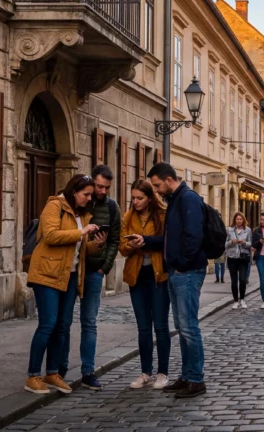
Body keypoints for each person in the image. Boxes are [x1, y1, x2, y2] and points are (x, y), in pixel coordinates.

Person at [127, 163, 208, 397]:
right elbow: (169, 238)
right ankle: (186, 376)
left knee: (189, 327)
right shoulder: (176, 200)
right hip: (177, 271)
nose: (156, 190)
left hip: (187, 272)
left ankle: (196, 380)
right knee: (182, 328)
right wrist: (147, 241)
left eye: (157, 185)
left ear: (169, 180)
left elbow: (193, 237)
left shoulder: (188, 199)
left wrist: (181, 265)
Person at [24, 174, 101, 395]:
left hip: (70, 275)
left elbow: (80, 248)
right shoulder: (55, 205)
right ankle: (32, 376)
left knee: (63, 326)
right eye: (85, 194)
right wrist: (81, 232)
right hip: (47, 274)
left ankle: (51, 372)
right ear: (73, 192)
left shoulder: (82, 214)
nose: (88, 198)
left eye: (90, 195)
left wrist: (96, 244)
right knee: (47, 324)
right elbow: (50, 236)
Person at [56, 165, 120, 390]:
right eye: (99, 187)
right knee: (63, 322)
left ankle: (88, 371)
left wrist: (105, 267)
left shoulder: (112, 207)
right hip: (73, 270)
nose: (103, 191)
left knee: (89, 322)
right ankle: (59, 370)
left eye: (107, 188)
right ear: (92, 183)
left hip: (94, 271)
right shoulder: (78, 202)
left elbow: (115, 240)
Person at [119, 179, 170, 390]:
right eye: (133, 198)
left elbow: (169, 241)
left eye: (140, 198)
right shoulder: (128, 216)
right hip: (137, 275)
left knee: (160, 325)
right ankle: (145, 372)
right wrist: (131, 245)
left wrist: (148, 242)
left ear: (150, 198)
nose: (136, 202)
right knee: (143, 327)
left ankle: (162, 373)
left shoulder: (162, 215)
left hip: (158, 275)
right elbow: (121, 247)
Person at [226, 212, 252, 309]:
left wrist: (244, 243)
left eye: (241, 219)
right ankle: (235, 301)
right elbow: (225, 244)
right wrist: (231, 242)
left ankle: (242, 299)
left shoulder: (248, 230)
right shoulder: (229, 230)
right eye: (237, 219)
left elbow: (250, 244)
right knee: (234, 281)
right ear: (234, 220)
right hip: (232, 257)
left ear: (243, 220)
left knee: (242, 279)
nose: (239, 221)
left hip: (243, 257)